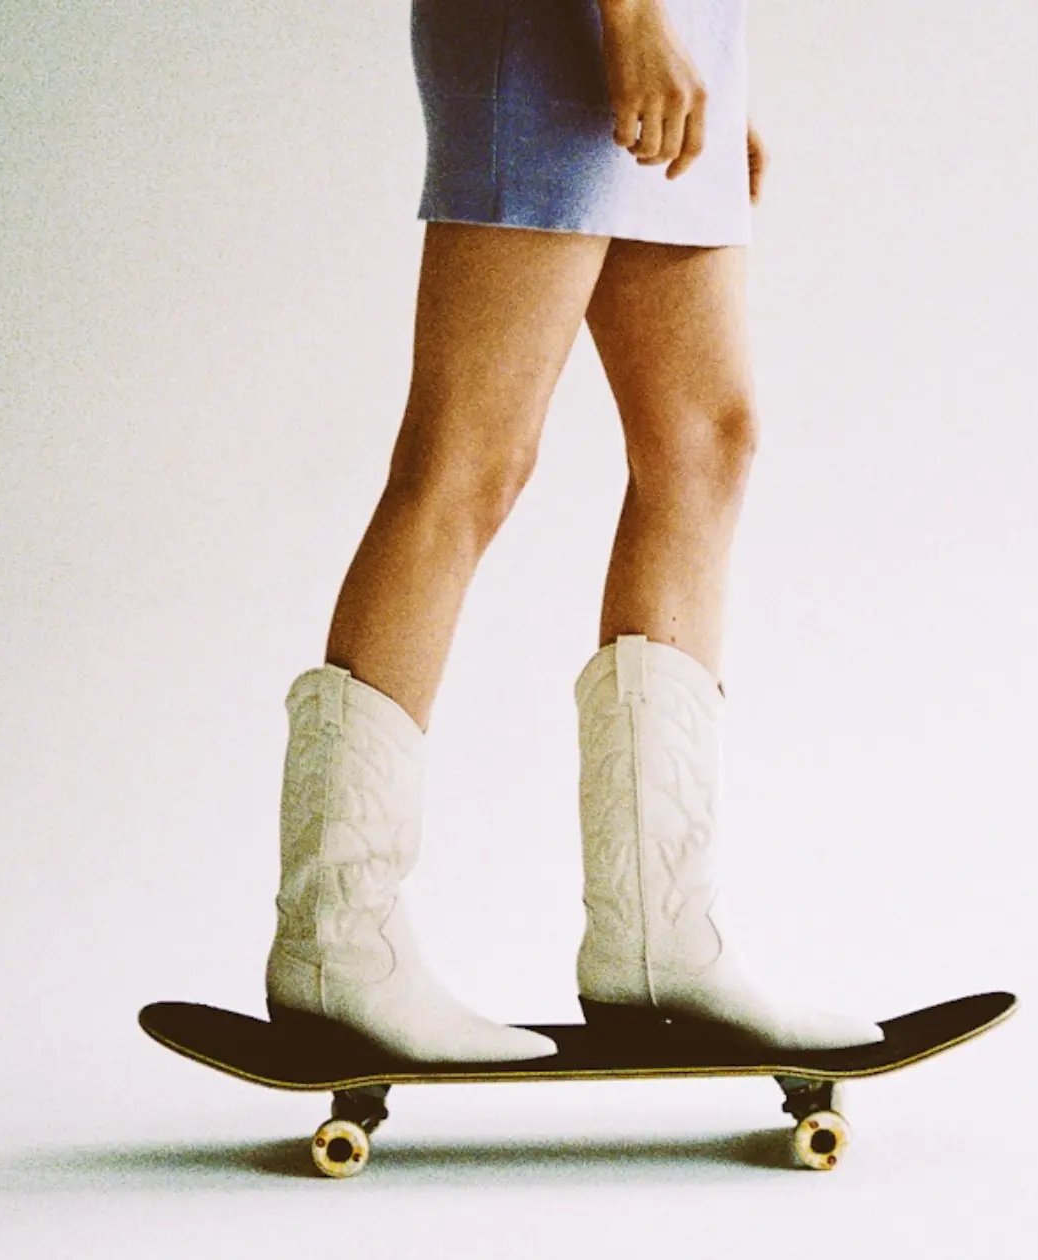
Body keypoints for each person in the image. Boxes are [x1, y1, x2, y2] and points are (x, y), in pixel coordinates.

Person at [264, 0, 881, 1062]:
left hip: (660, 34)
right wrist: (634, 20)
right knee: (466, 462)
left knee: (705, 444)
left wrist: (693, 50)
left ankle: (658, 939)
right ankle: (337, 940)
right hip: (566, 24)